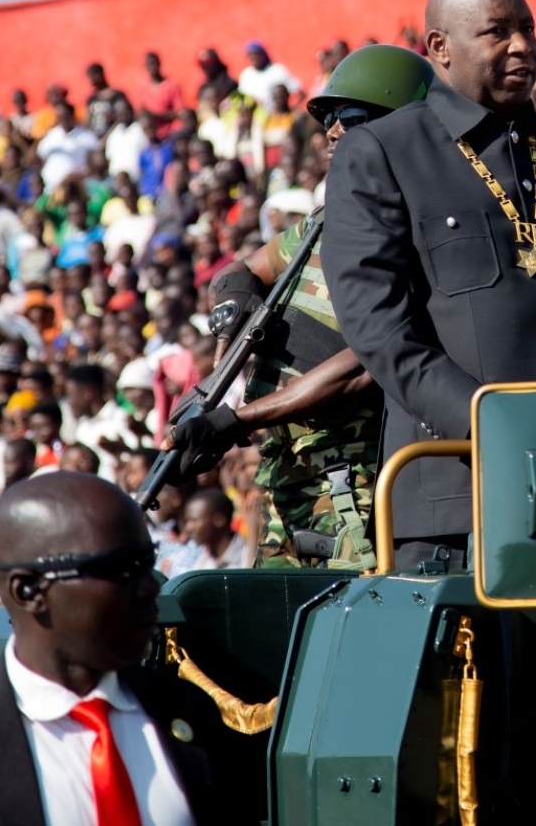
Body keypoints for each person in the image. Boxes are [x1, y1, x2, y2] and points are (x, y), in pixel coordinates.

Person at [322, 0, 536, 570]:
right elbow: (381, 330)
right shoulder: (382, 153)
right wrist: (495, 424)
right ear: (440, 48)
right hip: (454, 501)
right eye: (497, 33)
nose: (523, 46)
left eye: (527, 29)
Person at [0, 472, 241, 826]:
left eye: (147, 563)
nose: (150, 586)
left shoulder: (189, 715)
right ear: (28, 590)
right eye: (121, 569)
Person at [169, 44, 434, 569]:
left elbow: (364, 367)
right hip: (286, 471)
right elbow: (241, 269)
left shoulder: (420, 236)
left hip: (350, 486)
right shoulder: (327, 221)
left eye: (352, 118)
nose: (333, 132)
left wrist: (234, 420)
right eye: (330, 119)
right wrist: (232, 311)